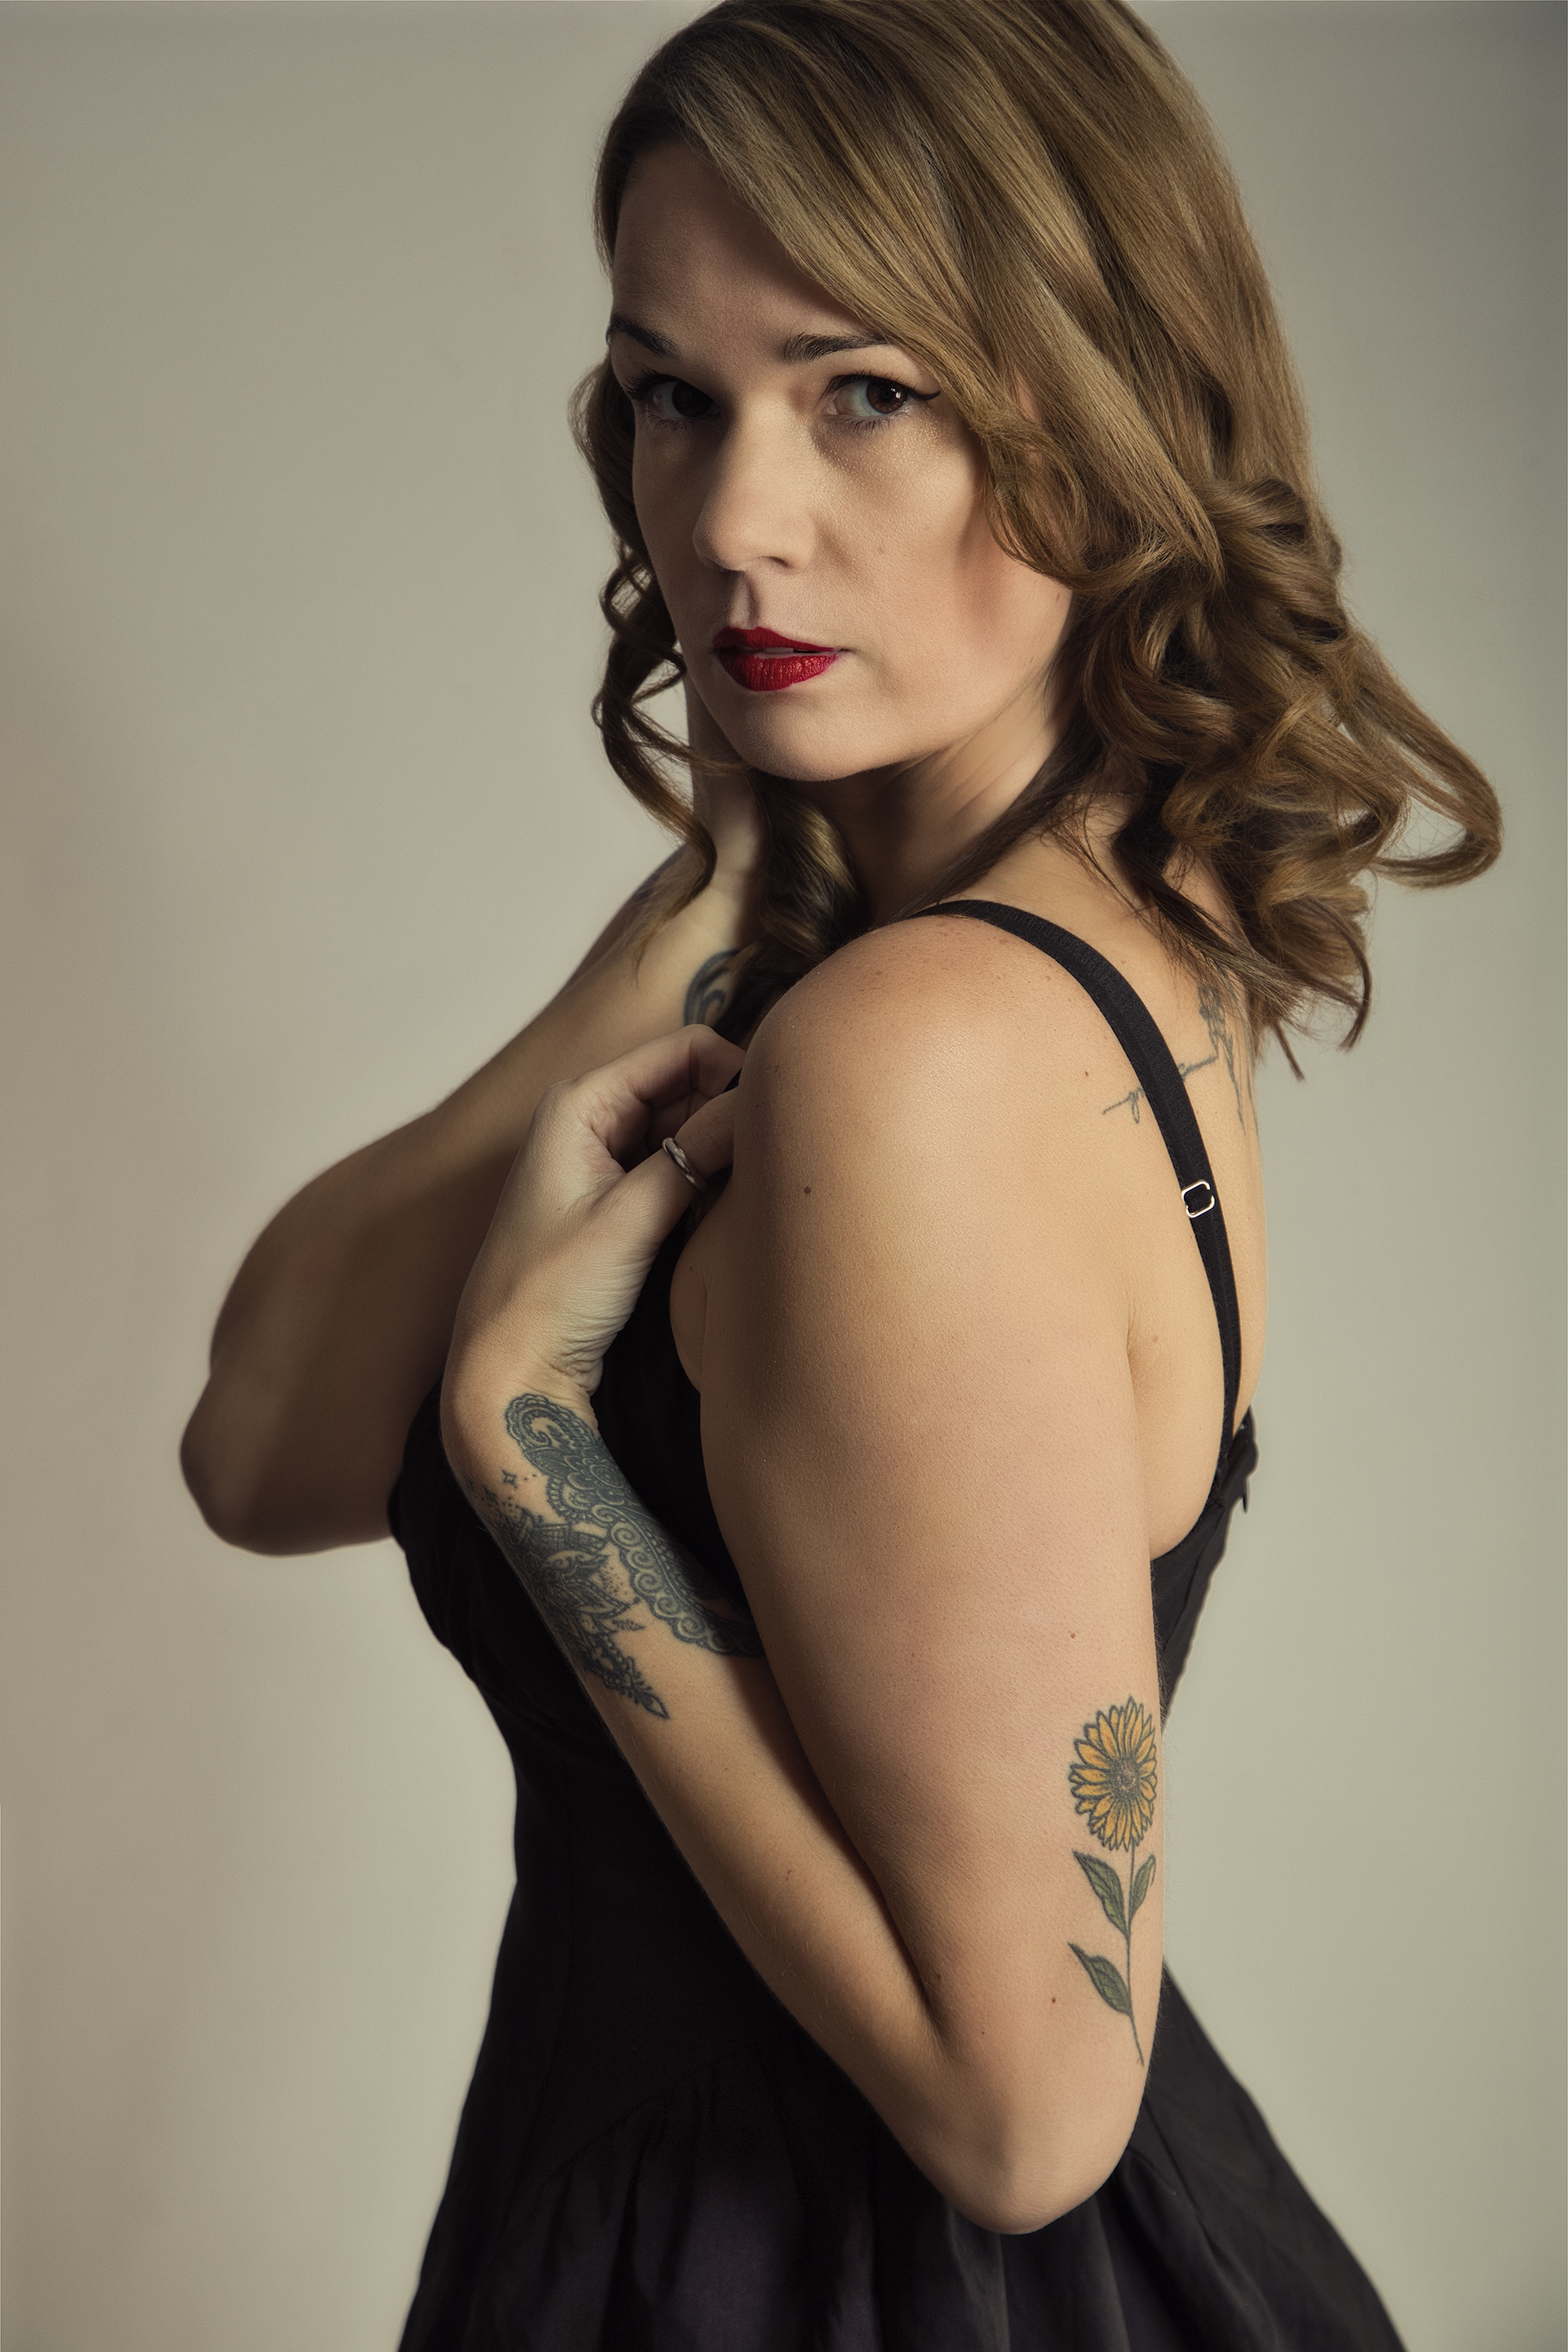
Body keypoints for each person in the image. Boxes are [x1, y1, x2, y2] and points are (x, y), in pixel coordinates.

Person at [181, 0, 1501, 2342]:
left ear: (1099, 405)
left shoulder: (918, 1055)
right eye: (672, 397)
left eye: (861, 392)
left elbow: (1024, 2114)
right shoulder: (1053, 944)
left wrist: (530, 1453)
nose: (729, 521)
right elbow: (261, 1439)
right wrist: (696, 903)